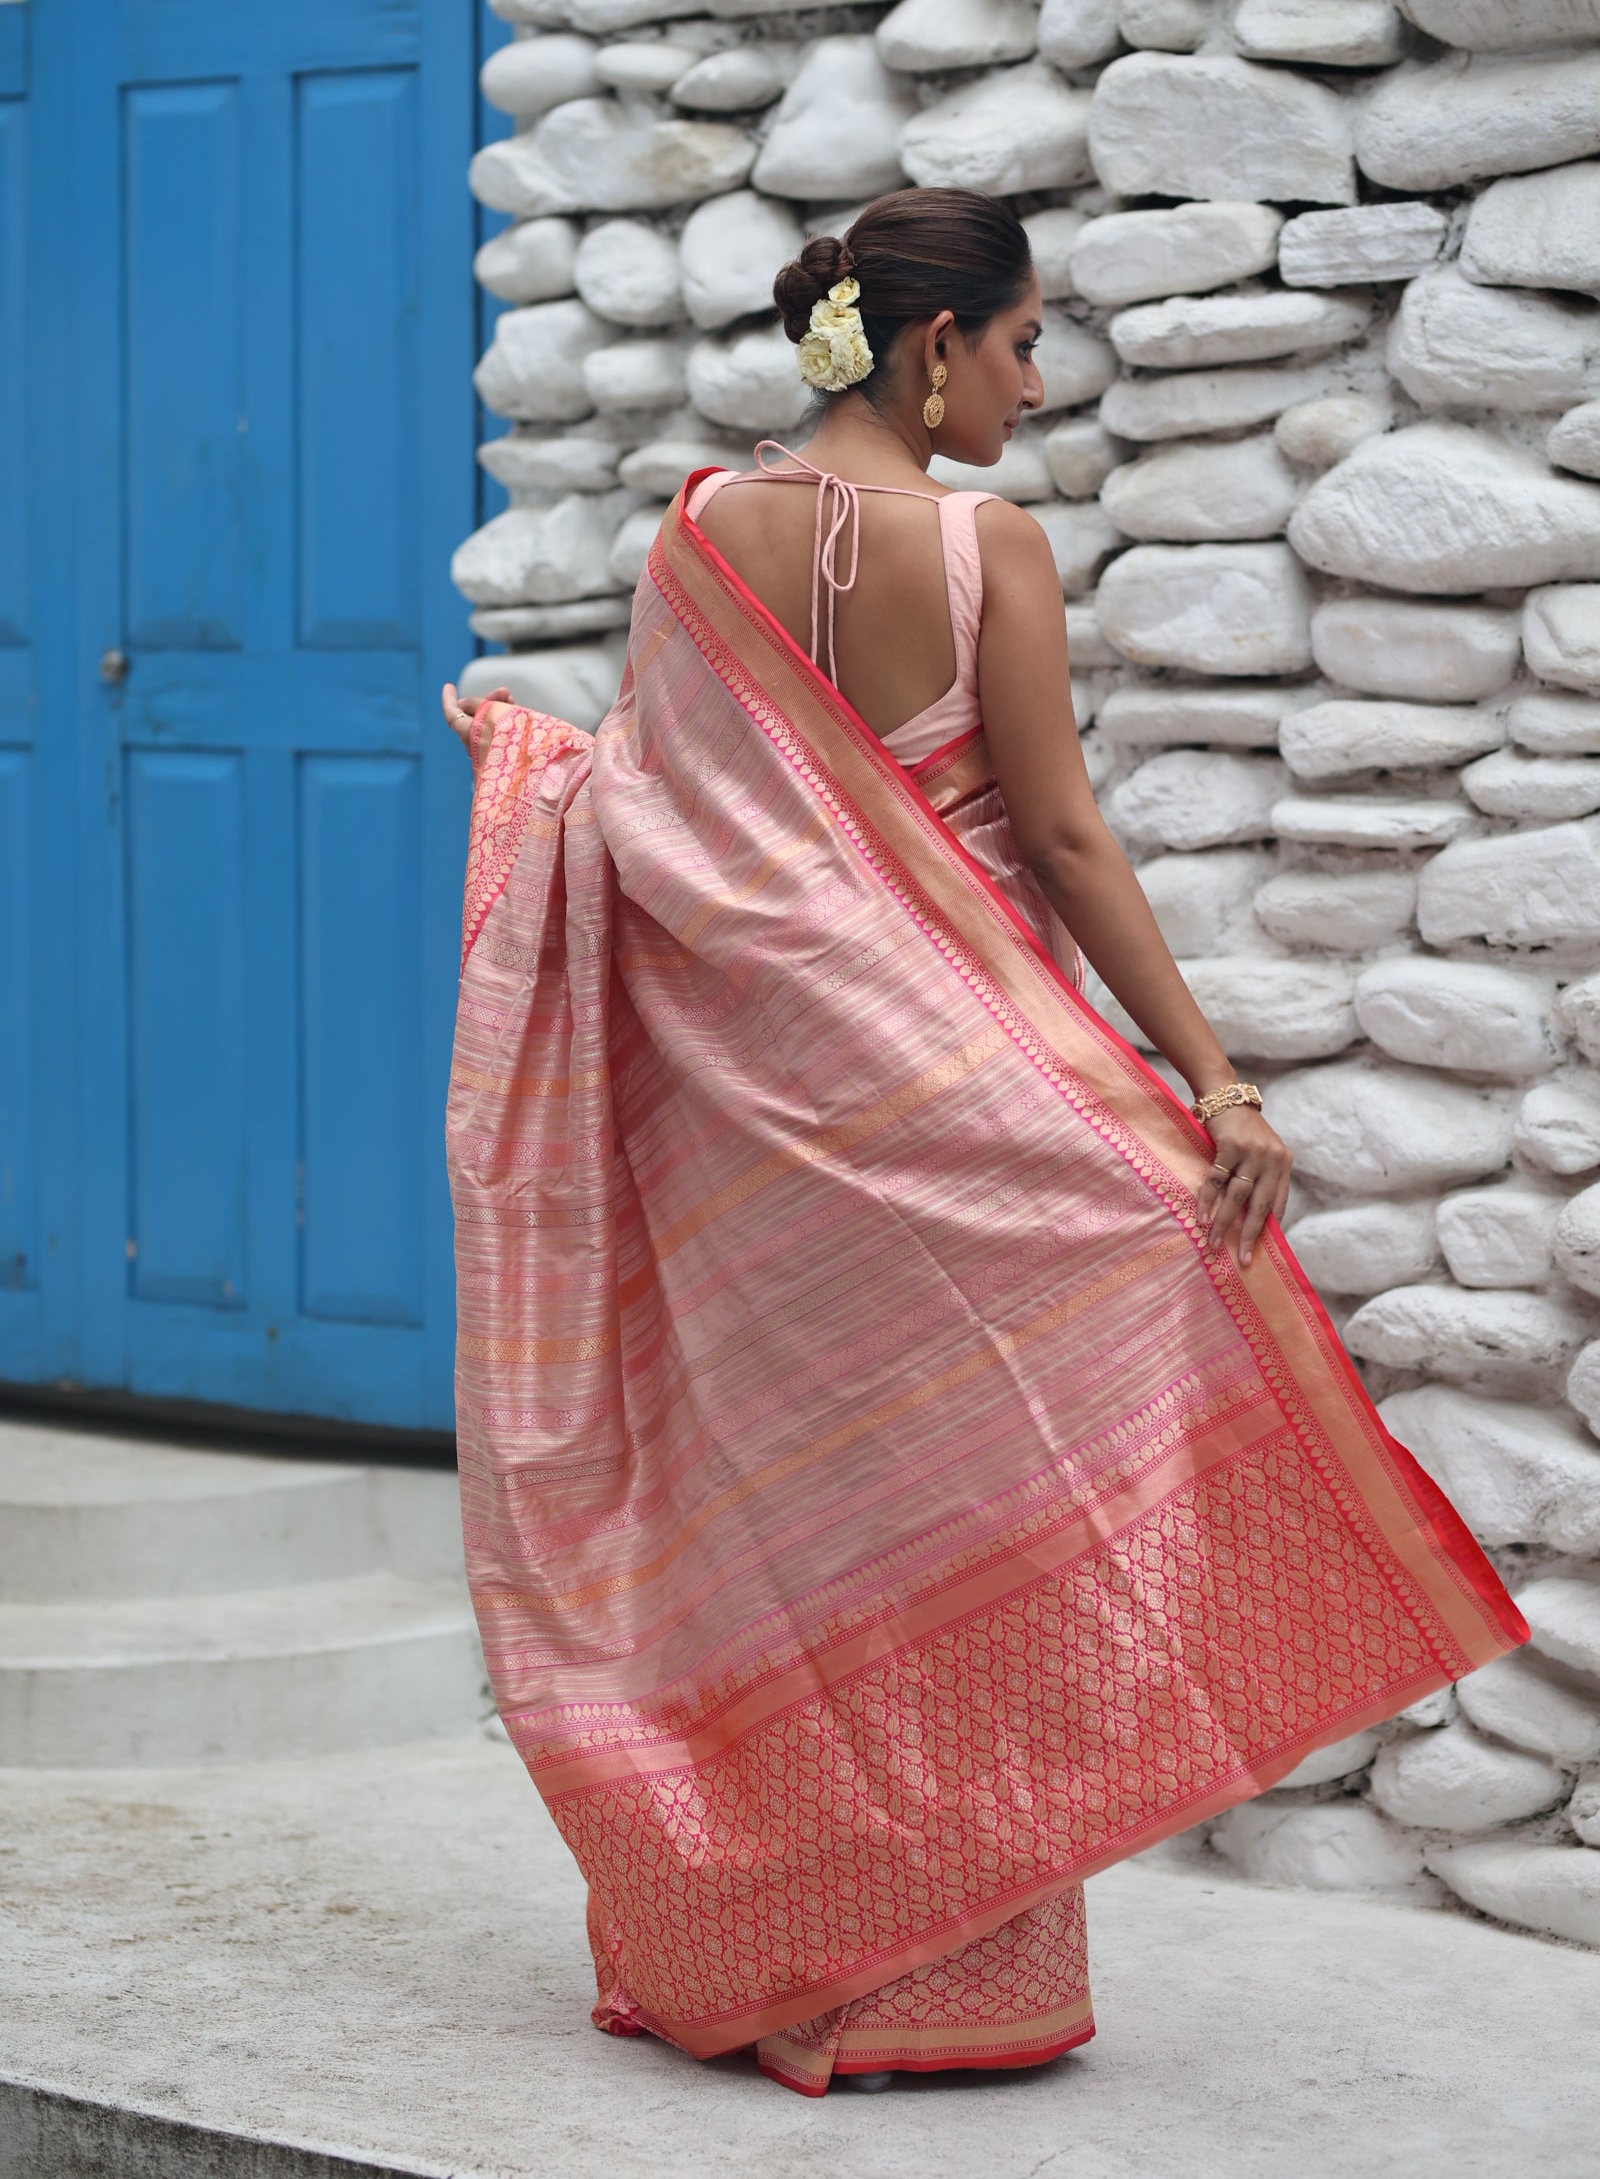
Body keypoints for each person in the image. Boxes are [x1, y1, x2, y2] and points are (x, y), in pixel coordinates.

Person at [442, 188, 1525, 2098]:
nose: (1037, 383)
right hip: (963, 1105)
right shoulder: (985, 545)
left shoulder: (697, 536)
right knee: (969, 1497)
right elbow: (1065, 841)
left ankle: (786, 1943)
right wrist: (1218, 1085)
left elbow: (653, 820)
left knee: (809, 1518)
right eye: (1023, 344)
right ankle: (930, 1970)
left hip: (768, 1137)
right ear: (938, 347)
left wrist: (530, 769)